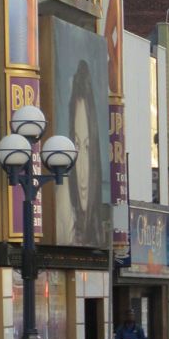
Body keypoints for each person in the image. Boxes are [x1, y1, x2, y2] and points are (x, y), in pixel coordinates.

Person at [56, 59, 106, 248]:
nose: (82, 168)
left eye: (86, 147)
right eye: (76, 145)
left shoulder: (98, 220)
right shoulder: (64, 197)